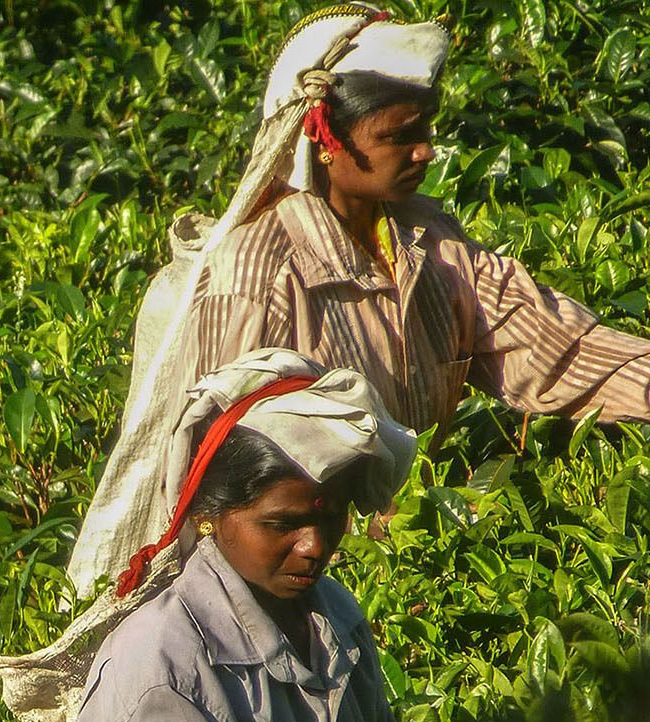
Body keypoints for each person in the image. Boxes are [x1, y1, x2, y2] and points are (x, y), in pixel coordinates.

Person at [68, 4, 650, 599]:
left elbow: (563, 351)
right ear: (324, 139)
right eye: (400, 136)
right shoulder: (259, 273)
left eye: (426, 131)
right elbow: (216, 473)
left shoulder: (433, 245)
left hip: (420, 564)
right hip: (305, 584)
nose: (425, 152)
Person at [57, 351, 524, 722]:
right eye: (282, 524)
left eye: (329, 520)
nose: (313, 546)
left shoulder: (333, 615)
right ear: (208, 515)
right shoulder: (161, 671)